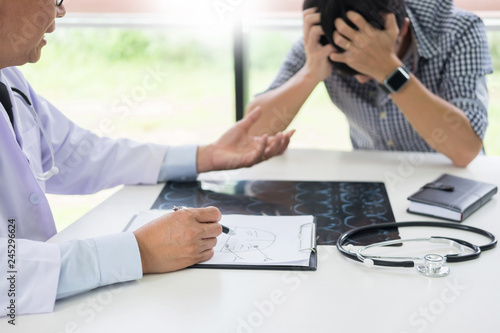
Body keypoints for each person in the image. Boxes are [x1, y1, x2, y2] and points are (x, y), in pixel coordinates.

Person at [0, 0, 294, 317]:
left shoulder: (9, 79)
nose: (60, 12)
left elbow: (77, 154)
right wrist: (138, 251)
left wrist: (203, 157)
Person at [245, 0, 493, 167]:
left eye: (367, 62)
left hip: (450, 181)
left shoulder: (457, 29)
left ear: (402, 29)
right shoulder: (326, 34)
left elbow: (466, 150)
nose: (364, 77)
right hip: (372, 177)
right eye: (350, 69)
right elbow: (251, 135)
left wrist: (388, 70)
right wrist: (310, 73)